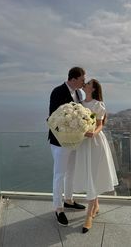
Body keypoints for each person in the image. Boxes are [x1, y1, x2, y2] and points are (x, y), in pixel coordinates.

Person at [73, 79, 118, 233]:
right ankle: (96, 205)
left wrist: (93, 133)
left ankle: (89, 216)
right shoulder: (79, 104)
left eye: (89, 83)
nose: (85, 84)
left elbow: (100, 124)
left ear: (93, 88)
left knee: (92, 174)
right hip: (83, 143)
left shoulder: (98, 105)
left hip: (95, 143)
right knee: (89, 175)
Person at [48, 67, 86, 226]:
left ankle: (68, 200)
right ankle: (58, 208)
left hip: (74, 141)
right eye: (82, 79)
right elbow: (53, 118)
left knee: (71, 172)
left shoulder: (78, 93)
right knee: (59, 175)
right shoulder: (58, 91)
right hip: (60, 142)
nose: (84, 82)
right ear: (74, 79)